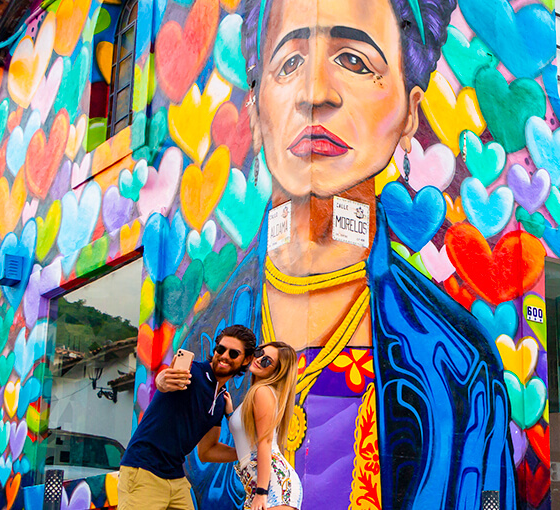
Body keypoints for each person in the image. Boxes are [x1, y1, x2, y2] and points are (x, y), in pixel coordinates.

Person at [187, 0, 518, 507]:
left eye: (354, 60)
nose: (315, 93)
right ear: (255, 110)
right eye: (289, 63)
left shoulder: (458, 363)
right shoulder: (204, 342)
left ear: (410, 112)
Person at [117, 325, 257, 509]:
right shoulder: (192, 373)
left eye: (233, 353)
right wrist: (162, 380)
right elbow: (164, 380)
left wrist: (247, 452)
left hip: (175, 477)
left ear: (246, 359)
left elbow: (208, 450)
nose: (224, 356)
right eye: (221, 349)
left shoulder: (220, 400)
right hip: (143, 470)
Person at [202, 342, 303, 510]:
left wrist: (261, 492)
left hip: (273, 487)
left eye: (267, 361)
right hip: (258, 486)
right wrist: (230, 415)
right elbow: (248, 437)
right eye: (259, 353)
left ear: (277, 371)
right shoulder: (257, 394)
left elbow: (265, 442)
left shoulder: (262, 392)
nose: (258, 359)